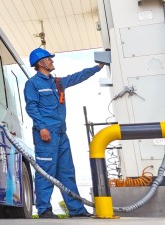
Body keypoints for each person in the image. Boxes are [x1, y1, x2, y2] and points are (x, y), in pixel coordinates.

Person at [24, 48, 104, 219]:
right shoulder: (32, 84)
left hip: (61, 134)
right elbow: (31, 107)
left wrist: (98, 67)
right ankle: (44, 210)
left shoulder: (57, 83)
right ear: (41, 63)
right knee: (46, 172)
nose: (52, 62)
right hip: (46, 134)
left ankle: (76, 210)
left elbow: (78, 76)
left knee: (67, 172)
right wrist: (42, 127)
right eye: (49, 60)